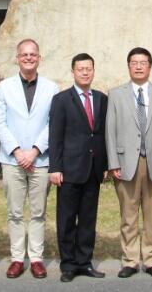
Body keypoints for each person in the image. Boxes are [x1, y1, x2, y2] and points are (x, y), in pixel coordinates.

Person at [105, 47, 152, 279]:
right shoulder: (116, 94)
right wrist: (113, 161)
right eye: (134, 62)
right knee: (129, 214)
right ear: (128, 66)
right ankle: (130, 260)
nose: (138, 66)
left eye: (143, 62)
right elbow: (110, 130)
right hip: (126, 162)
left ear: (150, 66)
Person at [0, 38, 58, 279]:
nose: (29, 58)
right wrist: (17, 151)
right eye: (24, 54)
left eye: (33, 54)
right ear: (17, 58)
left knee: (39, 212)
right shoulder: (4, 87)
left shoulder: (51, 88)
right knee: (15, 212)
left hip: (40, 160)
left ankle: (37, 259)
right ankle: (17, 258)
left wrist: (35, 150)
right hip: (12, 160)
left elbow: (53, 123)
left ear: (39, 58)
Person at [48, 53, 108, 282]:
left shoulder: (102, 99)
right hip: (68, 170)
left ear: (93, 71)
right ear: (73, 72)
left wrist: (104, 164)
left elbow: (102, 135)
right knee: (66, 219)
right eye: (80, 69)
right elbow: (55, 136)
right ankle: (68, 265)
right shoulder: (61, 99)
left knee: (88, 220)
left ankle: (84, 262)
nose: (85, 72)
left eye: (88, 69)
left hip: (93, 169)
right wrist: (55, 167)